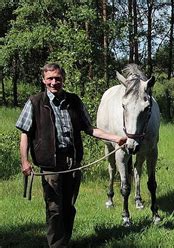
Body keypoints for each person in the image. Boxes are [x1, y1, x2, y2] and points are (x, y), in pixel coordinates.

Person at [16, 63, 127, 248]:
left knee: (68, 208)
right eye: (50, 78)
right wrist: (25, 161)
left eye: (57, 78)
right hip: (50, 165)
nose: (54, 82)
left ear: (63, 79)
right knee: (54, 209)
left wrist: (116, 138)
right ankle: (56, 245)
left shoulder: (74, 101)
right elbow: (25, 133)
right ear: (43, 80)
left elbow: (90, 129)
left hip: (73, 164)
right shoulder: (35, 102)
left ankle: (63, 242)